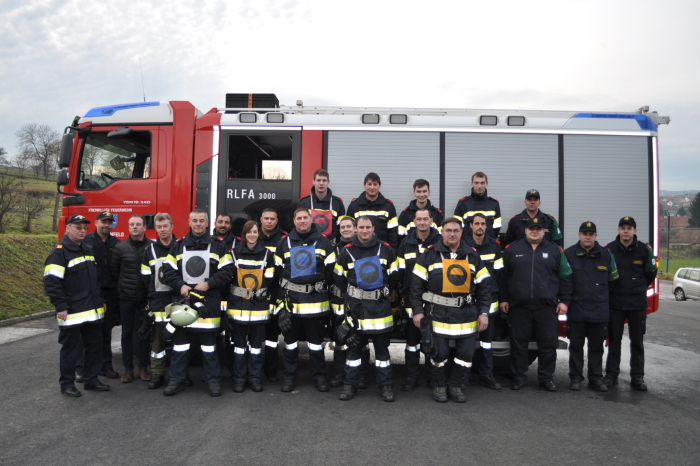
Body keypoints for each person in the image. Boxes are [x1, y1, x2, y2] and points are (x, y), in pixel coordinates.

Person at [411, 218, 492, 403]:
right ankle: (439, 386)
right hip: (438, 313)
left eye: (456, 230)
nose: (452, 234)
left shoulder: (472, 256)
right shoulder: (429, 255)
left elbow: (484, 288)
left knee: (466, 354)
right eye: (448, 230)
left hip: (467, 315)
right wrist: (417, 311)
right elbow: (416, 287)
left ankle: (455, 385)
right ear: (442, 231)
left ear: (462, 232)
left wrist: (484, 312)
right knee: (439, 354)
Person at [161, 209, 233, 397]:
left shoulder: (219, 246)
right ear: (189, 222)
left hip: (208, 303)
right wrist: (180, 285)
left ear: (208, 223)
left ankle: (213, 381)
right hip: (183, 300)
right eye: (195, 221)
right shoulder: (178, 246)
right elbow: (167, 271)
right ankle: (176, 380)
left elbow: (227, 271)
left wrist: (209, 283)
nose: (199, 224)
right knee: (180, 345)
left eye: (202, 221)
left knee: (209, 346)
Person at [499, 217, 572, 391]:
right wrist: (503, 298)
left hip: (547, 307)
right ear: (525, 230)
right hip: (519, 307)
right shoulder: (512, 250)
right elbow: (502, 277)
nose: (534, 231)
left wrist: (565, 301)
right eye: (531, 228)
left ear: (544, 231)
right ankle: (518, 377)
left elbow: (566, 277)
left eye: (538, 229)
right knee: (518, 344)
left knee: (548, 345)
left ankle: (546, 378)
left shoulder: (555, 251)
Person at [335, 216, 399, 402]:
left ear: (373, 228)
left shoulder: (386, 249)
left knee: (382, 352)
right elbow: (339, 278)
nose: (364, 230)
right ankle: (349, 385)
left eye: (367, 227)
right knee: (353, 351)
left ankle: (386, 386)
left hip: (380, 310)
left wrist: (384, 290)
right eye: (361, 227)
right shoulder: (346, 252)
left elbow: (395, 275)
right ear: (355, 228)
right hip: (356, 309)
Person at [43, 214, 109, 396]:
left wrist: (100, 300)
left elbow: (94, 280)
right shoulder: (59, 252)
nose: (82, 231)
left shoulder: (87, 249)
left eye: (84, 228)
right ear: (68, 229)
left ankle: (91, 380)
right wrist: (60, 306)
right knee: (71, 350)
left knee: (95, 348)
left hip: (92, 311)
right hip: (71, 312)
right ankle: (67, 385)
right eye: (78, 227)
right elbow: (51, 282)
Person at [274, 208, 336, 393]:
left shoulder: (324, 242)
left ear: (311, 220)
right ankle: (289, 377)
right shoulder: (284, 243)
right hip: (291, 302)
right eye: (299, 218)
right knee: (290, 342)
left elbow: (331, 271)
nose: (302, 221)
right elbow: (278, 272)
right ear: (294, 221)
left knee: (316, 343)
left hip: (315, 303)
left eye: (305, 218)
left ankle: (319, 377)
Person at [604, 216, 657, 391]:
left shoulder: (644, 250)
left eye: (629, 228)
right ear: (618, 230)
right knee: (614, 341)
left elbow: (650, 273)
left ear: (635, 231)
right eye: (623, 228)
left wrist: (638, 287)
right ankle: (611, 375)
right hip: (615, 303)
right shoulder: (609, 250)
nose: (626, 231)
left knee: (637, 342)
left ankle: (637, 377)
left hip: (636, 303)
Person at [564, 221, 619, 392]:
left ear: (596, 236)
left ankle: (595, 378)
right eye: (584, 233)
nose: (587, 237)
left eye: (591, 234)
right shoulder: (569, 254)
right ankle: (575, 378)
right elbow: (564, 281)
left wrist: (599, 296)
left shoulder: (606, 255)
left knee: (596, 348)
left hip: (598, 310)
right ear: (579, 235)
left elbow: (613, 281)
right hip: (576, 310)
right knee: (575, 347)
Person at [225, 220, 275, 393]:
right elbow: (227, 281)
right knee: (239, 347)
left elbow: (270, 282)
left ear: (259, 234)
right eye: (249, 232)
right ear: (243, 235)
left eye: (255, 232)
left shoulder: (267, 255)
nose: (252, 235)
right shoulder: (232, 254)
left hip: (259, 309)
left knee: (255, 347)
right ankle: (239, 379)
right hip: (238, 308)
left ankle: (255, 379)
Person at [396, 208, 441, 391]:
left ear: (431, 220)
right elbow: (399, 274)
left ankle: (432, 377)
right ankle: (411, 377)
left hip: (434, 301)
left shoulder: (440, 243)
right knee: (412, 343)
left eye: (425, 219)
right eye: (419, 219)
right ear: (414, 222)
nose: (422, 222)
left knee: (432, 341)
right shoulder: (405, 244)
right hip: (411, 301)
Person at [110, 214, 152, 383]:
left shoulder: (151, 247)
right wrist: (122, 288)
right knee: (126, 334)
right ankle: (128, 369)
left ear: (144, 227)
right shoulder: (120, 248)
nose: (135, 227)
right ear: (128, 228)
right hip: (126, 298)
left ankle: (143, 368)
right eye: (132, 224)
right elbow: (115, 271)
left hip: (145, 297)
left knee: (144, 334)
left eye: (138, 224)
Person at [79, 210, 120, 380]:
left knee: (105, 332)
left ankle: (106, 366)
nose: (106, 225)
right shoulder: (86, 242)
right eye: (103, 222)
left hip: (109, 293)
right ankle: (82, 369)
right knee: (85, 332)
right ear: (96, 223)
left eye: (109, 222)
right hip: (89, 294)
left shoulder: (116, 243)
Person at [139, 213, 178, 390]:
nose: (163, 230)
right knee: (157, 342)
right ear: (156, 229)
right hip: (157, 301)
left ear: (172, 227)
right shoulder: (150, 251)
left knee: (180, 342)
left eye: (165, 226)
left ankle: (178, 376)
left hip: (178, 301)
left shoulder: (181, 247)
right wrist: (154, 295)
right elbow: (146, 277)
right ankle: (158, 374)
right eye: (159, 227)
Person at [465, 213, 504, 390]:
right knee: (466, 343)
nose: (480, 227)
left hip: (489, 300)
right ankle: (464, 376)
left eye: (483, 224)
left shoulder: (494, 247)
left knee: (486, 343)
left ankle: (486, 376)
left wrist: (502, 298)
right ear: (471, 226)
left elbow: (500, 276)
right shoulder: (464, 246)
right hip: (469, 301)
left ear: (487, 226)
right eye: (477, 224)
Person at [328, 216, 362, 387]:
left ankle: (361, 375)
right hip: (338, 300)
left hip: (358, 301)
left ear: (355, 228)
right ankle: (338, 373)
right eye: (343, 227)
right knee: (339, 338)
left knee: (360, 338)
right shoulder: (333, 249)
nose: (346, 229)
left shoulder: (362, 248)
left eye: (349, 226)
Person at [258, 208, 287, 382]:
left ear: (277, 221)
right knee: (252, 334)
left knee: (271, 335)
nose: (269, 221)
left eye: (272, 219)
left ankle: (271, 370)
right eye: (266, 218)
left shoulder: (284, 239)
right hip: (255, 291)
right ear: (261, 219)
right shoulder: (253, 234)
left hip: (275, 291)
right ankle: (252, 369)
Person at [346, 172, 399, 250]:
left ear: (379, 185)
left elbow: (393, 233)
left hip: (382, 250)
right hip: (358, 251)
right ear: (364, 185)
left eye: (375, 184)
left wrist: (392, 252)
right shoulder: (354, 206)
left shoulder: (388, 206)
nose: (372, 187)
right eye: (369, 184)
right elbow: (349, 232)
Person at [298, 169, 346, 240]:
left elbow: (342, 226)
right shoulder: (304, 202)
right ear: (313, 181)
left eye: (324, 180)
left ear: (328, 182)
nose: (321, 183)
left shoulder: (337, 203)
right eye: (318, 180)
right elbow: (298, 225)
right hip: (309, 242)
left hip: (331, 243)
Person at [454, 172, 502, 239]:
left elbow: (497, 227)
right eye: (476, 183)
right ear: (472, 184)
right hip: (467, 245)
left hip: (488, 245)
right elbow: (456, 226)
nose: (479, 186)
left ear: (487, 184)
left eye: (482, 183)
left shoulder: (494, 204)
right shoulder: (463, 203)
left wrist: (490, 240)